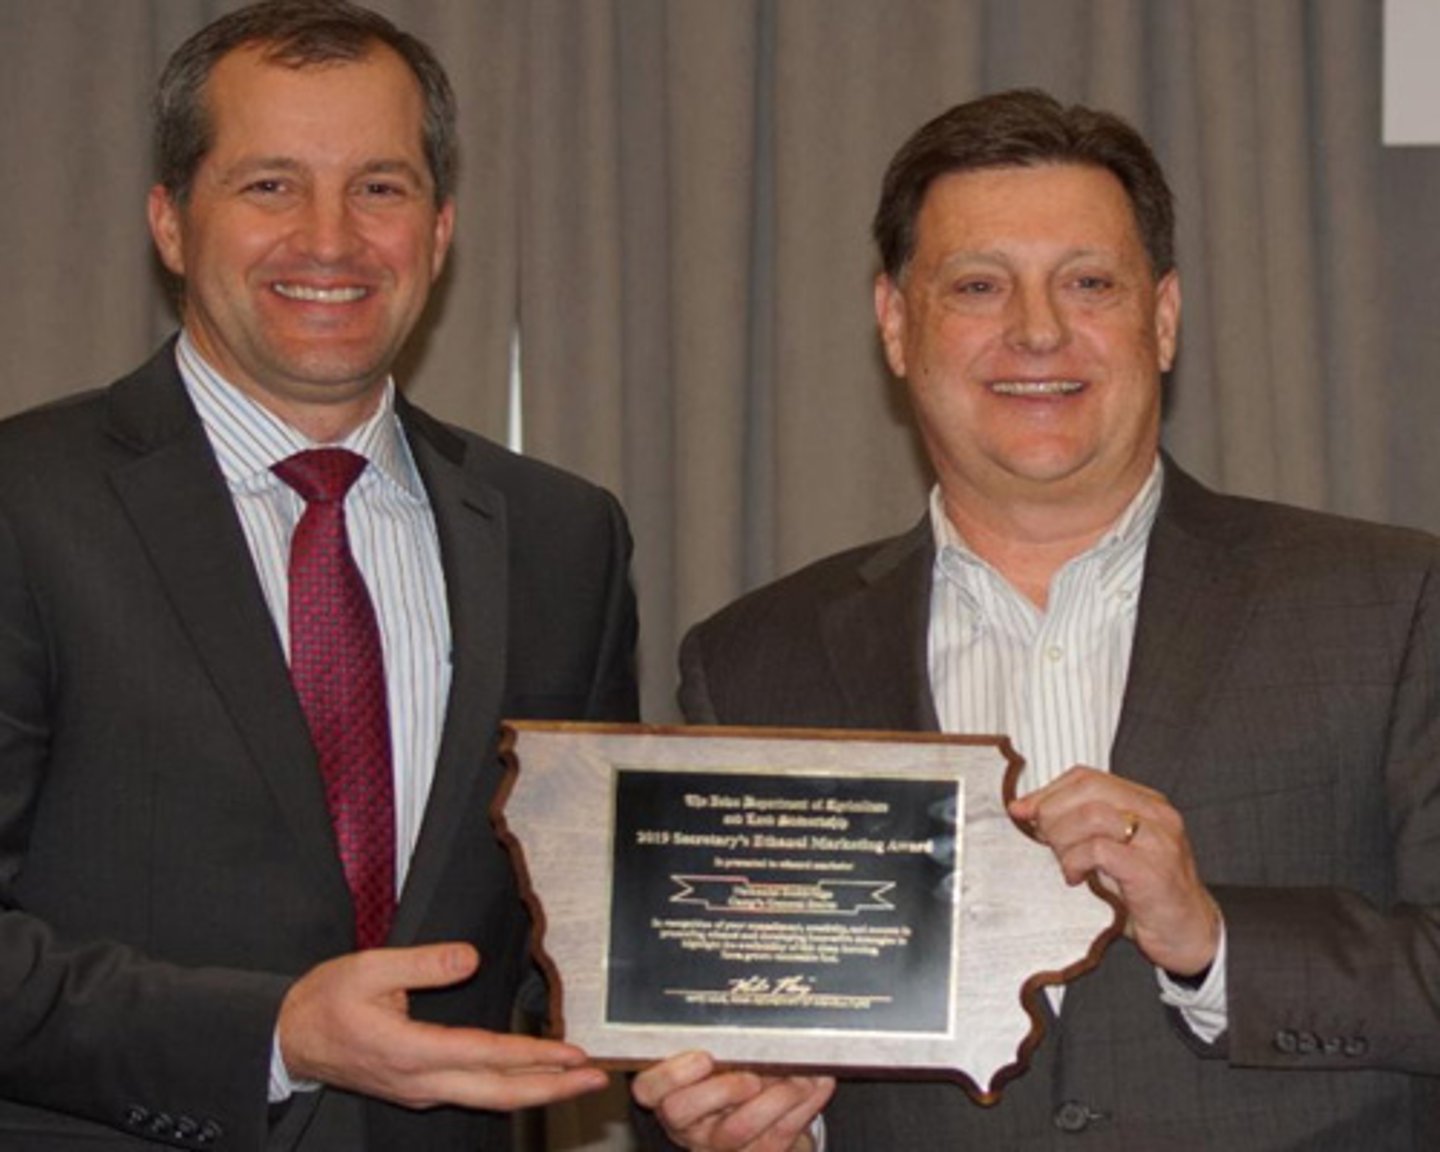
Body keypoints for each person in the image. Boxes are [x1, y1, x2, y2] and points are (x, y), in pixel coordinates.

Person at [632, 89, 1440, 1150]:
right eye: (977, 286)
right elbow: (709, 1026)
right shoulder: (752, 660)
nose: (1038, 331)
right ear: (894, 323)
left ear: (1161, 318)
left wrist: (1213, 939)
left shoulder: (1391, 602)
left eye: (1089, 283)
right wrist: (734, 1124)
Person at [0, 2, 637, 1149]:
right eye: (269, 186)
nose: (330, 240)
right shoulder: (22, 502)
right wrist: (272, 1035)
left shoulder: (561, 538)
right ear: (171, 222)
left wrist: (726, 1051)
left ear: (441, 230)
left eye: (380, 188)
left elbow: (576, 931)